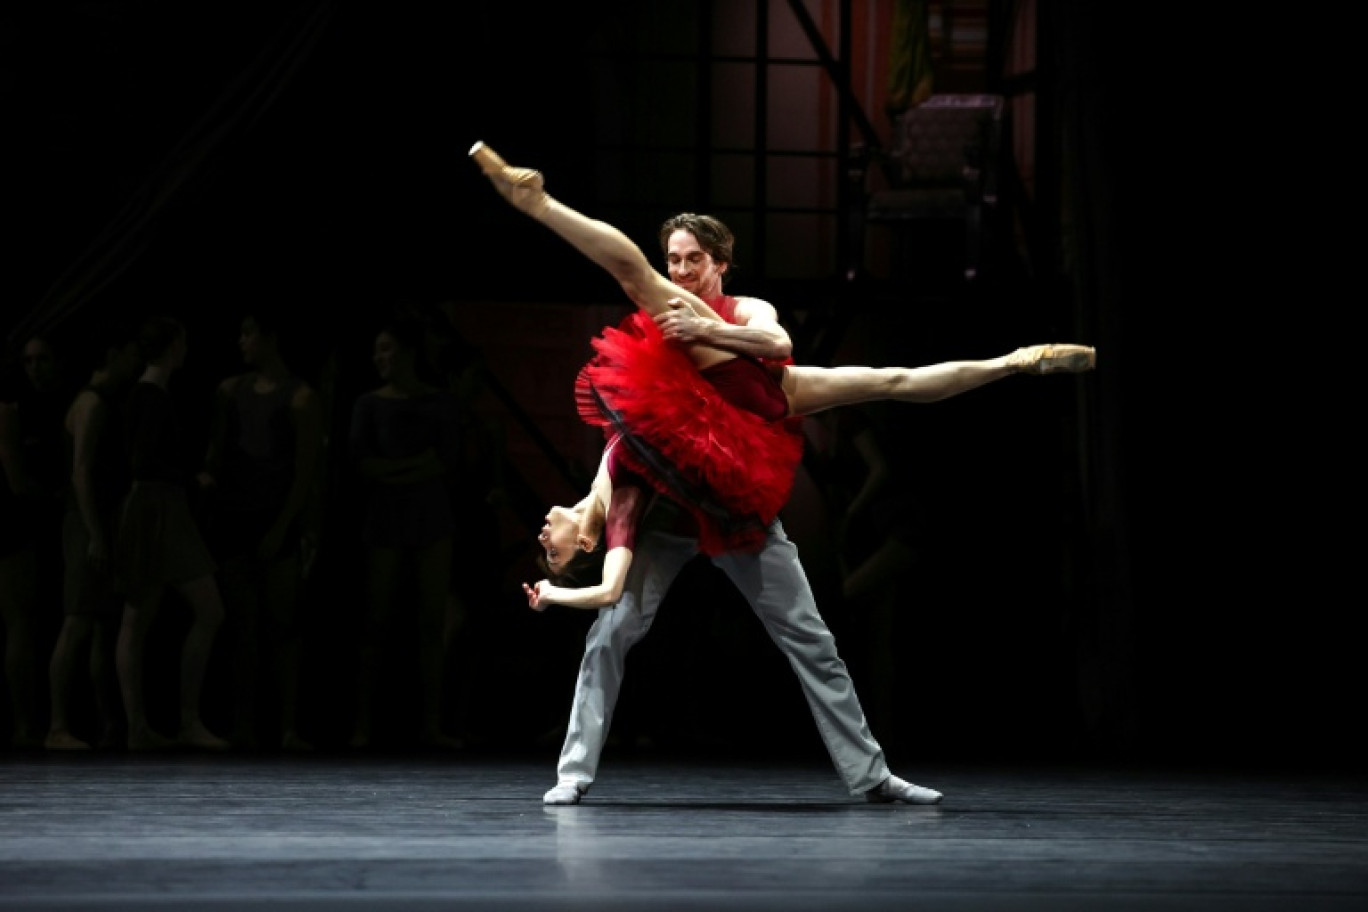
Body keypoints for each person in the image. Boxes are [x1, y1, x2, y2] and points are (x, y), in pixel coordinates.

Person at [470, 141, 1095, 805]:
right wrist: (540, 205)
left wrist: (1010, 365)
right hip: (669, 518)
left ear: (720, 263)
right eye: (674, 259)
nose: (680, 271)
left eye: (693, 259)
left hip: (738, 511)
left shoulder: (749, 325)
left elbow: (802, 351)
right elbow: (624, 271)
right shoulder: (665, 331)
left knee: (812, 636)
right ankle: (573, 773)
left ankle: (871, 774)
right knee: (612, 633)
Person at [198, 312, 322, 752]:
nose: (241, 341)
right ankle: (243, 724)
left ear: (271, 337)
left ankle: (287, 727)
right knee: (243, 627)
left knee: (282, 625)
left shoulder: (301, 397)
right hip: (236, 518)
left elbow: (305, 472)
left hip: (274, 517)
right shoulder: (230, 391)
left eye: (249, 333)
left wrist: (284, 526)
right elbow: (217, 453)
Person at [346, 312, 464, 750]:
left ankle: (430, 724)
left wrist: (394, 470)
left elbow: (446, 461)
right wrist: (415, 466)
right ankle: (362, 725)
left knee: (431, 623)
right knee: (374, 621)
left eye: (387, 349)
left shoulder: (439, 402)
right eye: (376, 351)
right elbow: (362, 464)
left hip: (430, 515)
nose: (379, 358)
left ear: (408, 353)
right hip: (386, 514)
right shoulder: (369, 404)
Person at [113, 316, 229, 751]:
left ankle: (143, 727)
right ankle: (176, 722)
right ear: (172, 345)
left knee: (138, 618)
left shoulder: (147, 395)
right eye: (183, 342)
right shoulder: (150, 397)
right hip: (158, 507)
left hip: (156, 506)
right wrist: (190, 478)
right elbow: (144, 462)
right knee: (200, 610)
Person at [45, 332, 143, 750]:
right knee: (77, 621)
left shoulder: (104, 401)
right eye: (132, 354)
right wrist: (95, 533)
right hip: (88, 524)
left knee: (103, 624)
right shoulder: (91, 403)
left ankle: (108, 723)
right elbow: (81, 472)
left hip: (100, 522)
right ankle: (57, 725)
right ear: (113, 352)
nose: (136, 363)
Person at [0, 335, 73, 749]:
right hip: (18, 524)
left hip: (42, 523)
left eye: (42, 360)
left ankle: (42, 721)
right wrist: (57, 497)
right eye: (29, 361)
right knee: (21, 621)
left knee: (40, 620)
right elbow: (17, 482)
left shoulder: (56, 405)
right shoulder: (12, 410)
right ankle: (25, 724)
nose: (35, 368)